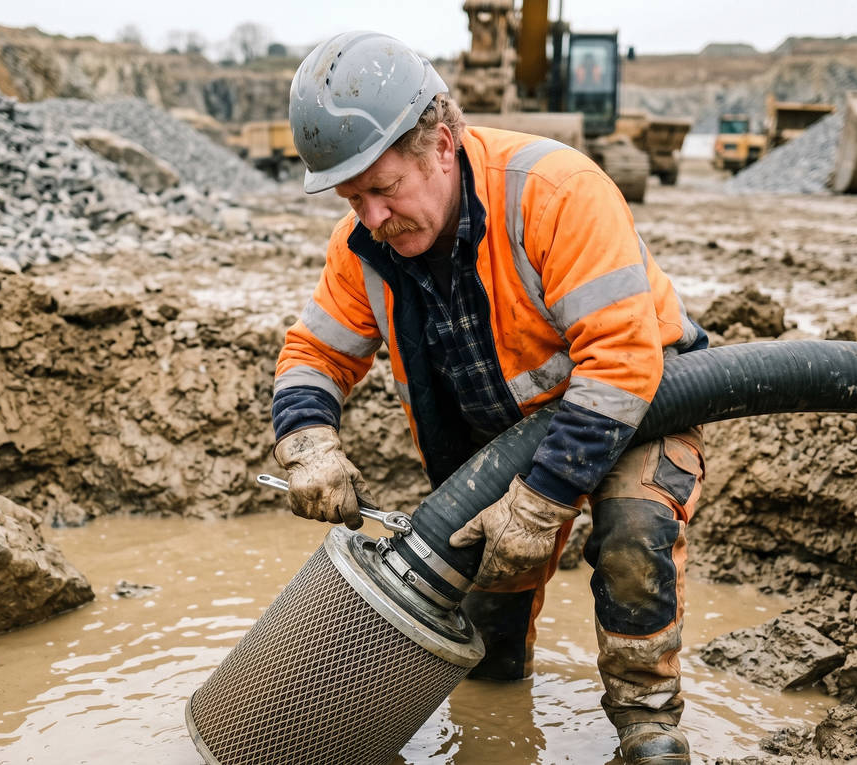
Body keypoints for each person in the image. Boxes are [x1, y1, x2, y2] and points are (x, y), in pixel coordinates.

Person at [270, 30, 708, 765]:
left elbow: (622, 359)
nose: (370, 216)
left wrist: (542, 499)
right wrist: (308, 440)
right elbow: (314, 353)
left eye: (382, 189)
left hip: (634, 404)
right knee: (486, 636)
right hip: (505, 437)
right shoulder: (363, 247)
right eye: (351, 197)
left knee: (635, 539)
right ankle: (498, 704)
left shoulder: (554, 191)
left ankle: (648, 727)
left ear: (441, 144)